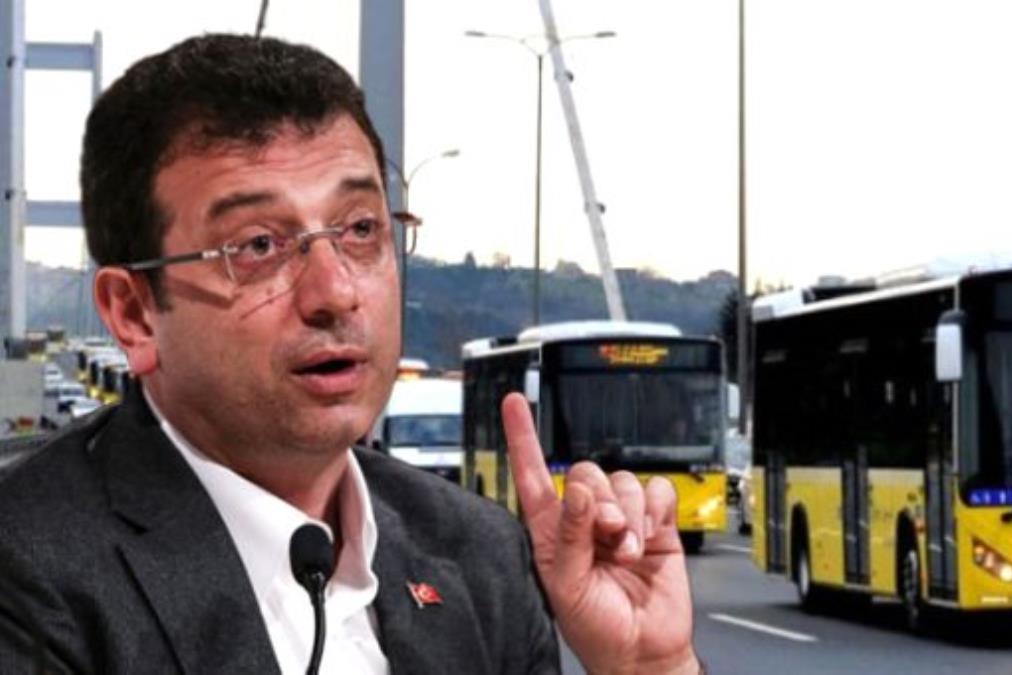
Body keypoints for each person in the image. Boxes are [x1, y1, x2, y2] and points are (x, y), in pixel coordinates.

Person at [0, 34, 698, 674]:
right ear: (133, 314)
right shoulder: (27, 564)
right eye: (258, 245)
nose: (335, 292)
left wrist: (649, 667)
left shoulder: (478, 552)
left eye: (361, 229)